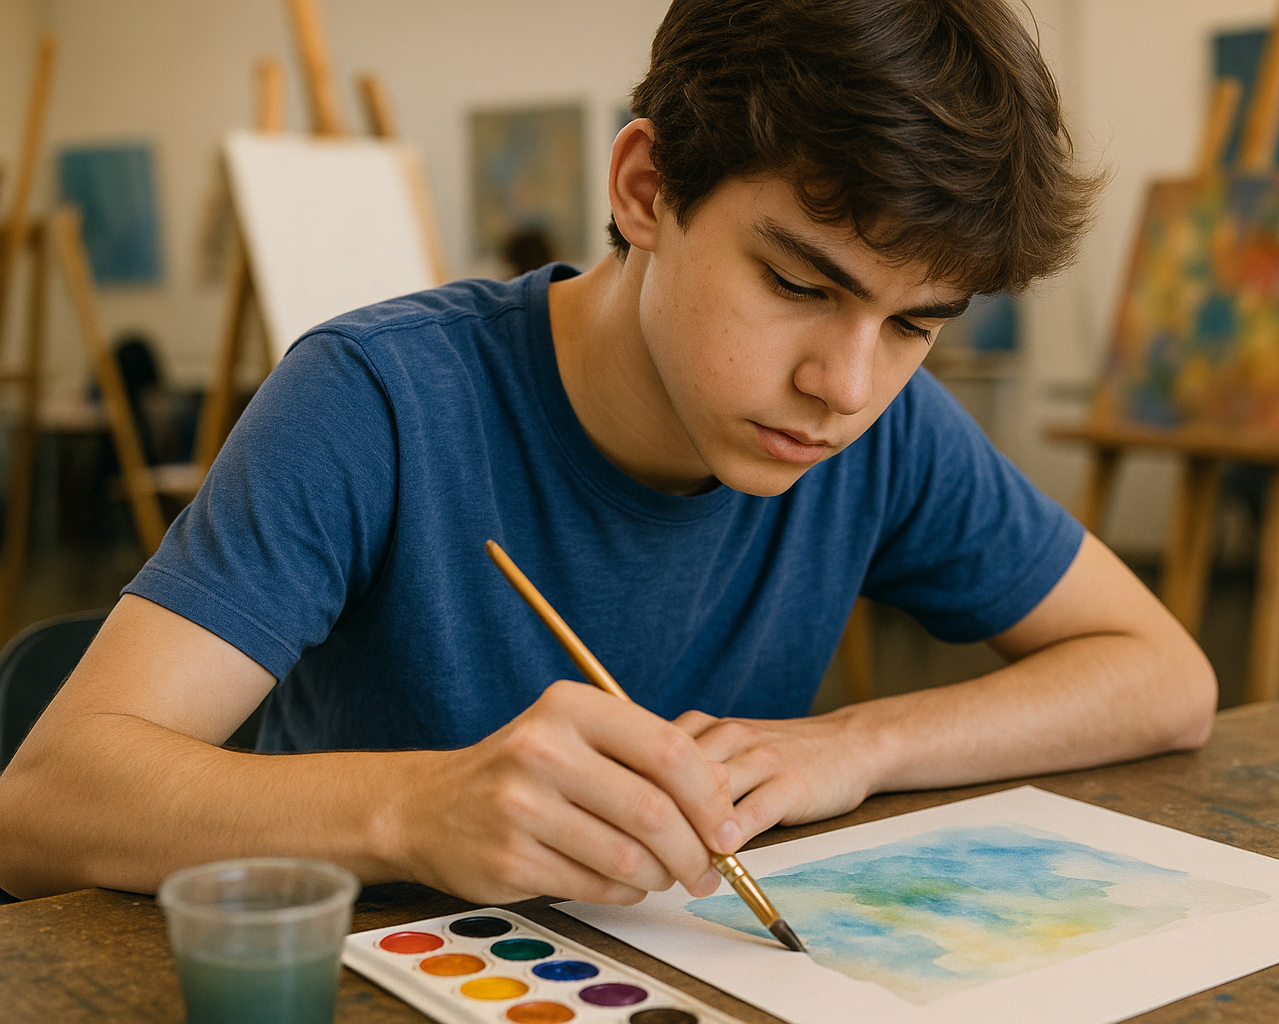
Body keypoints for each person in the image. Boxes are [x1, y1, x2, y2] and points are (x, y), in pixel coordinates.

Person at [0, 0, 1215, 904]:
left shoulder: (885, 432)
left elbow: (1164, 676)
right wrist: (417, 808)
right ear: (644, 188)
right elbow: (46, 799)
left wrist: (855, 743)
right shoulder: (379, 400)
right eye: (799, 281)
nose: (843, 387)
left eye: (914, 325)